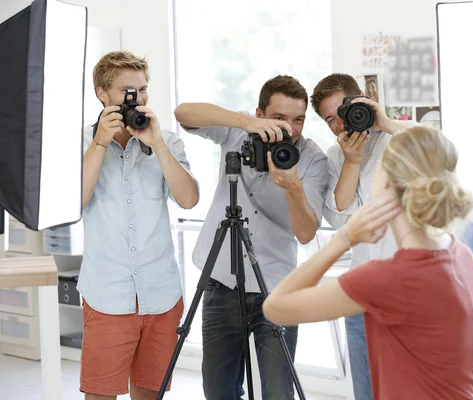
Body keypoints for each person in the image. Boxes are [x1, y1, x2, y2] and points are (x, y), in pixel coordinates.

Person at [263, 125, 473, 400]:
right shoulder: (460, 254)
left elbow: (276, 308)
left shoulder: (390, 278)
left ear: (386, 185)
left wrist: (344, 238)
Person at [174, 74, 329, 400]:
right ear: (260, 114)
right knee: (218, 392)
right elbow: (183, 113)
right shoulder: (239, 130)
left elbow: (305, 233)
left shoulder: (312, 159)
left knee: (277, 393)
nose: (290, 129)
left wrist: (292, 186)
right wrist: (245, 123)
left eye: (298, 119)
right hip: (221, 284)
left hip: (277, 289)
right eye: (280, 118)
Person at [77, 51, 200, 400]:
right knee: (100, 395)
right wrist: (101, 143)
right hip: (107, 296)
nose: (138, 99)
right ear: (102, 93)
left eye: (143, 90)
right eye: (127, 91)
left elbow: (189, 199)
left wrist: (158, 144)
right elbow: (76, 202)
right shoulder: (81, 143)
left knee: (151, 395)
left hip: (161, 295)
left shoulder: (167, 140)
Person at [310, 73, 419, 399]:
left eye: (343, 112)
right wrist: (352, 162)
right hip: (361, 292)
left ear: (360, 101)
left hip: (407, 292)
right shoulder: (335, 155)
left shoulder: (398, 139)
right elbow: (340, 215)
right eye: (330, 119)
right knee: (367, 392)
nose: (341, 124)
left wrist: (384, 121)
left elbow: (441, 152)